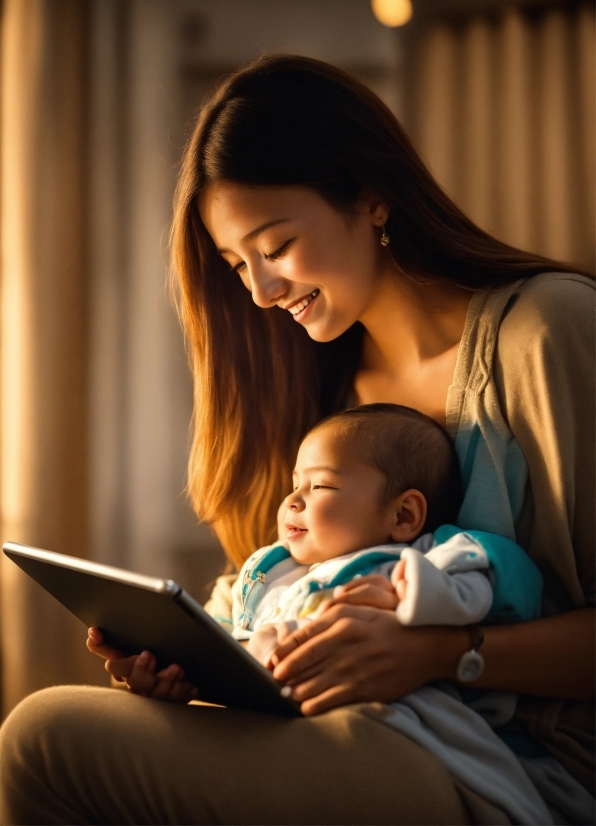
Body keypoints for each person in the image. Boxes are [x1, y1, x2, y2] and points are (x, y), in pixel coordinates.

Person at [0, 53, 593, 825]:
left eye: (275, 247)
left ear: (373, 197)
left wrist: (442, 652)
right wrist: (202, 663)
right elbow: (285, 593)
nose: (259, 291)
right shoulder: (324, 395)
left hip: (513, 766)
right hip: (353, 731)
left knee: (40, 739)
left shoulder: (546, 333)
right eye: (236, 263)